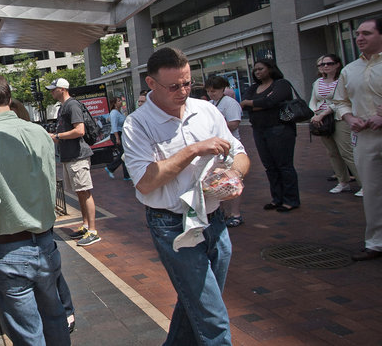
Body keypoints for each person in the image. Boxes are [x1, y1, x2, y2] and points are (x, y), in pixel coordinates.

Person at [122, 47, 250, 345]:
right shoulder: (137, 124)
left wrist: (234, 175)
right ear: (151, 84)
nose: (182, 91)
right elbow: (144, 182)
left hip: (213, 218)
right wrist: (193, 149)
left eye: (188, 83)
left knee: (199, 300)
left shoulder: (206, 110)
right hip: (172, 225)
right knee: (211, 314)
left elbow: (238, 153)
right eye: (173, 86)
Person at [0, 74, 71, 344]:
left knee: (28, 332)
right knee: (55, 318)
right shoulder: (41, 135)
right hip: (47, 243)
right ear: (9, 99)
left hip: (10, 251)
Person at [10, 98, 76, 334]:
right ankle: (64, 311)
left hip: (35, 219)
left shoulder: (29, 140)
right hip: (39, 219)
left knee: (51, 271)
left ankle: (66, 311)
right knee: (49, 270)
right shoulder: (32, 138)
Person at [332, 19, 382, 261]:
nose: (359, 38)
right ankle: (375, 242)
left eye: (366, 33)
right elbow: (340, 101)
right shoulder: (349, 70)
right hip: (365, 137)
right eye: (358, 34)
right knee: (371, 190)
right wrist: (350, 118)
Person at [240, 59, 300, 212]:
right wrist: (259, 104)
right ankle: (277, 198)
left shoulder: (281, 84)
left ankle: (290, 200)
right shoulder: (253, 87)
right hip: (259, 130)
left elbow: (272, 101)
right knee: (270, 167)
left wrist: (252, 103)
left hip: (280, 129)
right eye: (255, 70)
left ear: (270, 68)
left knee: (284, 166)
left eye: (261, 69)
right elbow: (246, 105)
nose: (257, 72)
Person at [47, 77, 100, 247]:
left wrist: (57, 136)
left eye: (53, 89)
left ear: (62, 89)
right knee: (80, 192)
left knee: (84, 192)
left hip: (78, 156)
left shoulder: (72, 105)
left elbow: (80, 130)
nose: (51, 91)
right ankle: (86, 226)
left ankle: (92, 230)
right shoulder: (64, 107)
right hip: (70, 156)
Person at [308, 54, 362, 195]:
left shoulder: (342, 80)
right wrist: (315, 114)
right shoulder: (317, 82)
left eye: (329, 63)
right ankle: (343, 182)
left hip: (340, 118)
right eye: (322, 65)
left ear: (337, 64)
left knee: (347, 152)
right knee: (332, 153)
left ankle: (364, 183)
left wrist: (323, 113)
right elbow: (313, 100)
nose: (325, 67)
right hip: (323, 121)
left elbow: (341, 101)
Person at [205, 76, 245, 227]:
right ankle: (222, 212)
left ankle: (235, 213)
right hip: (216, 148)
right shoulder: (210, 104)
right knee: (217, 181)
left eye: (214, 91)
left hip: (229, 145)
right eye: (208, 91)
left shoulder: (230, 103)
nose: (211, 94)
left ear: (222, 89)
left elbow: (234, 123)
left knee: (231, 180)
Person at [104, 97, 130, 181]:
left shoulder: (120, 112)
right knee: (123, 154)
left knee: (124, 154)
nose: (121, 102)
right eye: (119, 101)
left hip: (121, 134)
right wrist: (117, 138)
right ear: (115, 103)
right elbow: (114, 126)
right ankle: (110, 167)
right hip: (116, 134)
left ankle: (126, 175)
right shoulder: (114, 113)